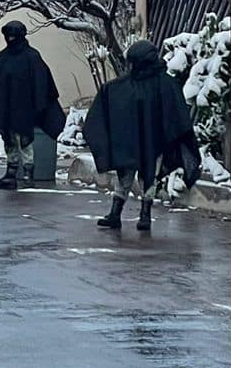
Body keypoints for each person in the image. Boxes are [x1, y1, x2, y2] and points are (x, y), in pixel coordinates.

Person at [82, 39, 201, 232]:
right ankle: (124, 215)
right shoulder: (142, 84)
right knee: (132, 175)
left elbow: (174, 112)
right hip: (142, 142)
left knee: (141, 176)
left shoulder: (158, 83)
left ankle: (135, 215)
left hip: (146, 142)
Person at [0, 20, 67, 189]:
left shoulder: (31, 57)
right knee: (9, 140)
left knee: (25, 141)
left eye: (13, 36)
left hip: (25, 109)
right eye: (8, 36)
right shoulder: (3, 58)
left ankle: (28, 173)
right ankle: (11, 173)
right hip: (6, 109)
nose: (10, 39)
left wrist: (39, 108)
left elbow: (42, 84)